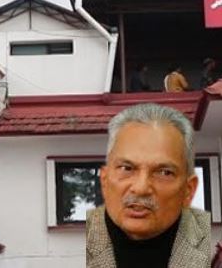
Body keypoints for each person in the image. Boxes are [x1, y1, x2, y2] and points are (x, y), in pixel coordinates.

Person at [86, 104, 211, 267]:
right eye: (126, 168)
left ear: (189, 190)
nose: (141, 188)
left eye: (164, 172)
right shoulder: (83, 241)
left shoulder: (217, 245)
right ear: (104, 180)